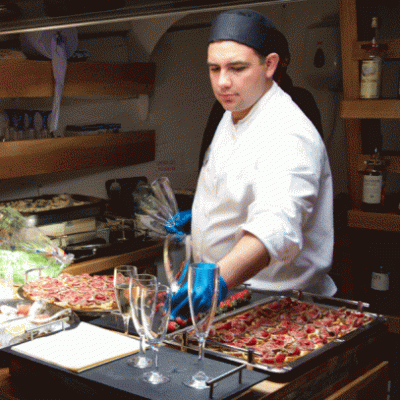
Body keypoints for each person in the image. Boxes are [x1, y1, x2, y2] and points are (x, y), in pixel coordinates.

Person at [170, 8, 335, 319]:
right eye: (214, 69)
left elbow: (277, 226)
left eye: (237, 68)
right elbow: (241, 188)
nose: (222, 83)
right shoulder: (233, 111)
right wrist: (204, 216)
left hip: (283, 308)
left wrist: (215, 281)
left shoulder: (290, 133)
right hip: (237, 298)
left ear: (270, 64)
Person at [198, 29, 323, 171]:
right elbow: (207, 161)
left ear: (285, 60)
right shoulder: (230, 102)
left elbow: (313, 160)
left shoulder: (301, 101)